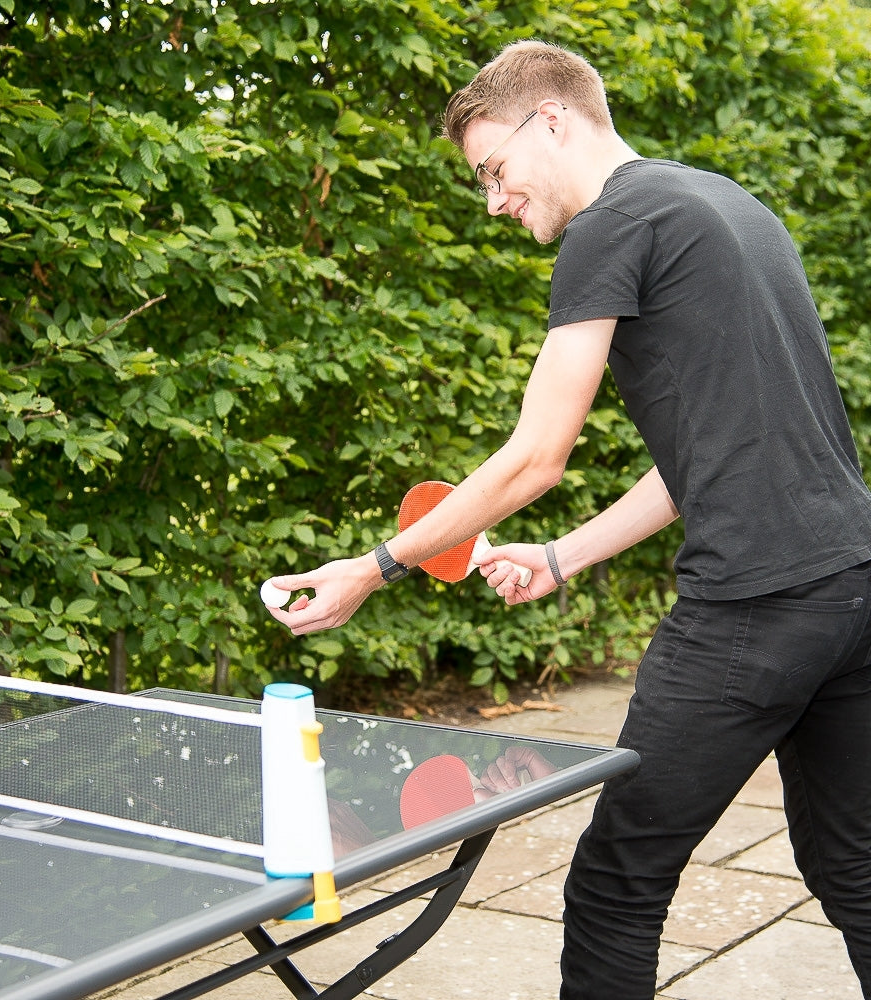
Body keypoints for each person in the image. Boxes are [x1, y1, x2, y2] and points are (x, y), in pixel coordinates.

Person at [265, 39, 871, 999]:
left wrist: (373, 566)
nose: (493, 199)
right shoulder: (728, 206)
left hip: (753, 611)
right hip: (852, 596)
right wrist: (562, 556)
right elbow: (710, 460)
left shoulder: (611, 228)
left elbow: (534, 457)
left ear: (551, 118)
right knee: (856, 873)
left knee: (615, 887)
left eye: (493, 170)